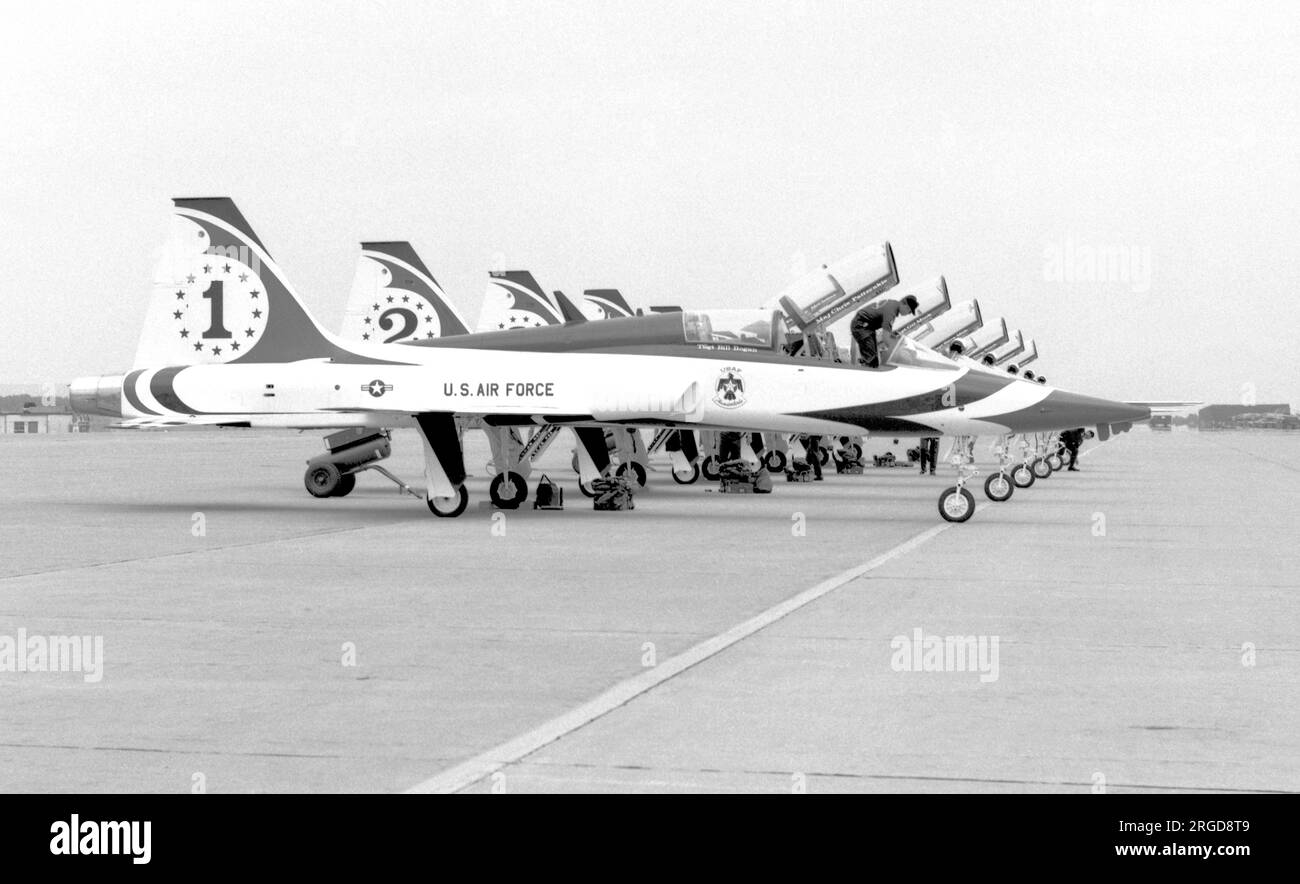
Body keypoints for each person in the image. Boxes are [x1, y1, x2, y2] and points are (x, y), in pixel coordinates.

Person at [850, 295, 919, 368]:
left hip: (866, 326)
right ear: (906, 306)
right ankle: (864, 368)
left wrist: (892, 337)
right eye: (909, 312)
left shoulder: (892, 304)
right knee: (872, 361)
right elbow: (886, 338)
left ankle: (864, 362)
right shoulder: (891, 312)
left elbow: (886, 332)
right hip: (862, 326)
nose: (908, 314)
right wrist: (898, 351)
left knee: (873, 356)